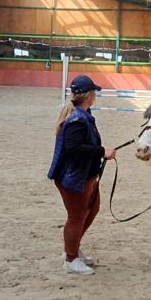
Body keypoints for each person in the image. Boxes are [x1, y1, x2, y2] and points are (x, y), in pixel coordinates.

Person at [47, 75, 116, 275]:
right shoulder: (77, 119)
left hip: (85, 175)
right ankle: (70, 258)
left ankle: (73, 248)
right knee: (77, 217)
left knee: (91, 210)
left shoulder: (82, 114)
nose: (95, 96)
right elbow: (74, 148)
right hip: (74, 177)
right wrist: (102, 152)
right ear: (89, 96)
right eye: (94, 93)